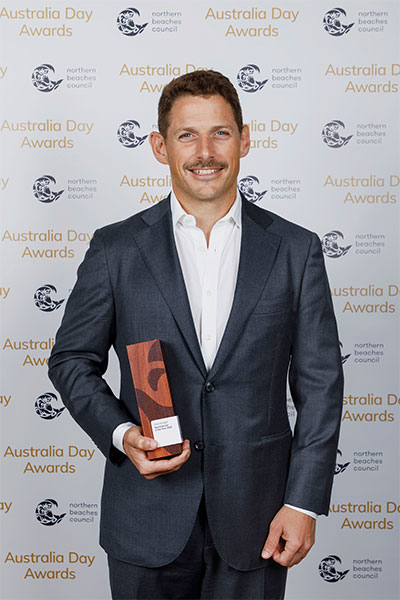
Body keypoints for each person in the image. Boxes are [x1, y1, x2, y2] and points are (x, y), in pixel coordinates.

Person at [48, 70, 343, 600]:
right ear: (161, 147)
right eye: (187, 135)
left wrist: (302, 503)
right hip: (145, 515)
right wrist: (121, 435)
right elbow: (71, 360)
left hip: (259, 518)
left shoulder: (296, 250)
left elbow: (321, 385)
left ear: (245, 139)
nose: (205, 151)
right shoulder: (115, 249)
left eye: (221, 133)